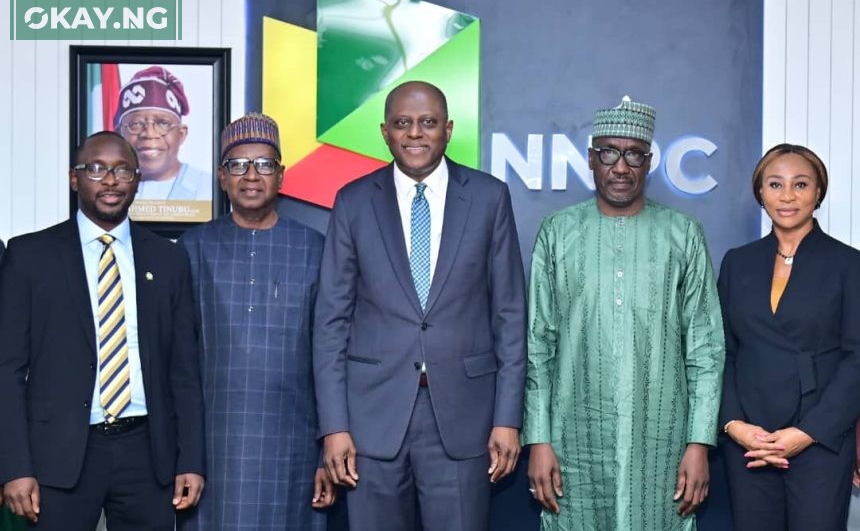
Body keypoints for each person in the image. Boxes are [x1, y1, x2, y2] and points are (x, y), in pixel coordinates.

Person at [313, 81, 527, 531]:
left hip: (464, 418)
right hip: (371, 420)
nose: (415, 134)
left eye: (428, 123)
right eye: (403, 123)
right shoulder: (353, 202)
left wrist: (508, 419)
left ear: (448, 129)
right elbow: (331, 322)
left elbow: (509, 316)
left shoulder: (489, 198)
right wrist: (334, 427)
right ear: (384, 132)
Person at [524, 97, 725, 531]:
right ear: (592, 159)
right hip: (573, 439)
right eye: (609, 153)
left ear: (648, 162)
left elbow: (706, 349)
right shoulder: (557, 233)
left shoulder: (683, 234)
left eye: (633, 154)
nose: (621, 166)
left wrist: (699, 442)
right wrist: (538, 438)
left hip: (662, 442)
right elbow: (538, 344)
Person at [0, 131, 205, 530]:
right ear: (74, 179)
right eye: (96, 169)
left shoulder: (168, 259)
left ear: (137, 180)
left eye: (122, 170)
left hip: (148, 455)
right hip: (57, 458)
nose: (110, 180)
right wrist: (14, 467)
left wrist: (191, 461)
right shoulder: (29, 257)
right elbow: (6, 370)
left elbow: (184, 372)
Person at [177, 113, 335, 530]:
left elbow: (331, 358)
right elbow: (178, 363)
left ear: (281, 176)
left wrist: (325, 453)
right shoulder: (190, 250)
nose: (251, 175)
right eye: (238, 165)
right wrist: (183, 455)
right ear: (221, 177)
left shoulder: (316, 249)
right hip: (212, 446)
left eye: (264, 165)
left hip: (294, 447)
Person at [718, 143, 860, 530]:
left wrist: (808, 432)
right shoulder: (737, 262)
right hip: (750, 441)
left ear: (818, 194)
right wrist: (734, 425)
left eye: (800, 184)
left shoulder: (849, 264)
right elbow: (724, 352)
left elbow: (857, 358)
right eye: (775, 184)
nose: (787, 195)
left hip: (820, 439)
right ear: (760, 194)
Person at [115, 66, 211, 201]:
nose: (149, 134)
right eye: (136, 124)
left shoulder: (209, 188)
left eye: (163, 124)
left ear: (181, 134)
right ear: (119, 134)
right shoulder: (105, 186)